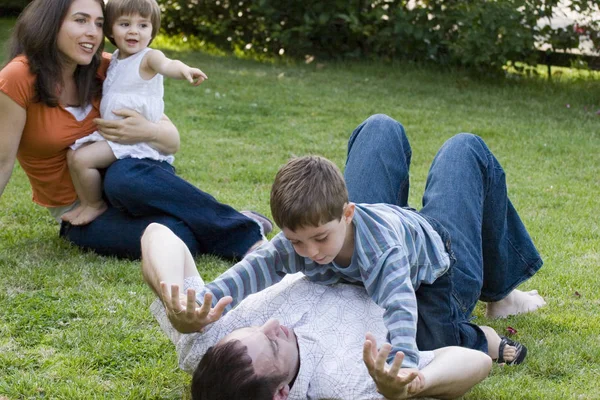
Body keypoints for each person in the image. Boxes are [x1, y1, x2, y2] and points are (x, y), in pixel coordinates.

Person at [154, 114, 546, 369]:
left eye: (319, 239)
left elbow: (400, 305)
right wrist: (207, 300)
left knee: (464, 146)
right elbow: (257, 268)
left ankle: (500, 296)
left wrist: (404, 364)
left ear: (347, 212)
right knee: (379, 126)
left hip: (437, 260)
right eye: (297, 241)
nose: (310, 254)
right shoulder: (304, 238)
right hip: (388, 225)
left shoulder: (381, 253)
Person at [0, 0, 271, 259]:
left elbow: (170, 140)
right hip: (79, 210)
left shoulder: (109, 67)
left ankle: (242, 232)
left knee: (123, 179)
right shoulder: (18, 78)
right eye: (81, 21)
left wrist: (146, 131)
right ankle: (230, 219)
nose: (92, 33)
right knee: (177, 237)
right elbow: (2, 162)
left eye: (98, 23)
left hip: (133, 183)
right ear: (50, 23)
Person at [140, 224, 492, 399]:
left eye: (258, 328)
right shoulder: (341, 385)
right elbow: (478, 363)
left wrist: (175, 303)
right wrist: (416, 384)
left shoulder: (206, 345)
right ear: (281, 393)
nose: (274, 324)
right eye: (274, 343)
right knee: (464, 153)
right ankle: (498, 301)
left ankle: (502, 302)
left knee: (377, 132)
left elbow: (158, 234)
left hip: (341, 248)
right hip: (407, 271)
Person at [61, 0, 208, 226]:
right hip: (116, 134)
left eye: (142, 26)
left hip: (135, 139)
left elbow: (168, 64)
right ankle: (85, 202)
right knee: (73, 154)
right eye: (124, 24)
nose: (133, 31)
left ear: (152, 32)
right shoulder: (116, 60)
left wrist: (184, 70)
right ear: (110, 29)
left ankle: (93, 205)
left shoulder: (149, 58)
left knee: (82, 160)